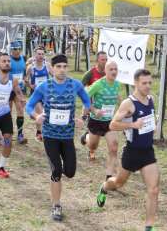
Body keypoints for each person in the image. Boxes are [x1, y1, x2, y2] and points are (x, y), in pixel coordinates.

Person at [25, 54, 90, 222]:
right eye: (58, 66)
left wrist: (82, 119)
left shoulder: (75, 84)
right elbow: (29, 105)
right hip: (50, 135)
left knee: (70, 171)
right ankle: (56, 205)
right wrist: (36, 116)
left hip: (67, 136)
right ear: (52, 68)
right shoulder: (44, 86)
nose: (62, 69)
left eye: (64, 66)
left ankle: (58, 181)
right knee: (56, 171)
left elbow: (87, 100)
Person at [95, 69, 160, 231]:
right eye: (144, 83)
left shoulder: (150, 100)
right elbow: (112, 125)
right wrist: (132, 125)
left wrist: (153, 123)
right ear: (136, 83)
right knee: (118, 183)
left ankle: (149, 226)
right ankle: (104, 187)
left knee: (154, 189)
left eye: (149, 83)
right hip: (132, 152)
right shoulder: (128, 103)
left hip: (147, 152)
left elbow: (148, 121)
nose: (147, 86)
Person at [80, 60, 121, 170]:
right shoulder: (98, 84)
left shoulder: (117, 84)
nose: (113, 71)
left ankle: (110, 174)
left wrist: (123, 106)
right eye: (111, 69)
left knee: (114, 147)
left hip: (109, 121)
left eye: (115, 69)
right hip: (96, 121)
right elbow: (85, 97)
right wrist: (94, 110)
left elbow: (117, 97)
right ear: (106, 71)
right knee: (93, 145)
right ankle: (86, 138)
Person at [25, 46, 52, 142]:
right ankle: (39, 132)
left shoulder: (47, 65)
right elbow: (25, 79)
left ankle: (42, 131)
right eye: (39, 54)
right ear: (35, 55)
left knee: (48, 113)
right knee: (41, 113)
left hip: (47, 95)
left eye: (42, 54)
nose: (40, 56)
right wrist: (30, 85)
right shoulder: (30, 67)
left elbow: (54, 76)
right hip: (36, 94)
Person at [9, 41, 28, 144]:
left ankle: (20, 134)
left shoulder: (23, 59)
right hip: (8, 89)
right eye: (14, 49)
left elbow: (23, 73)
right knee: (8, 111)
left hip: (19, 89)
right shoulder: (8, 60)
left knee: (20, 110)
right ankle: (7, 132)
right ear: (11, 50)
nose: (17, 51)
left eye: (18, 49)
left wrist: (26, 80)